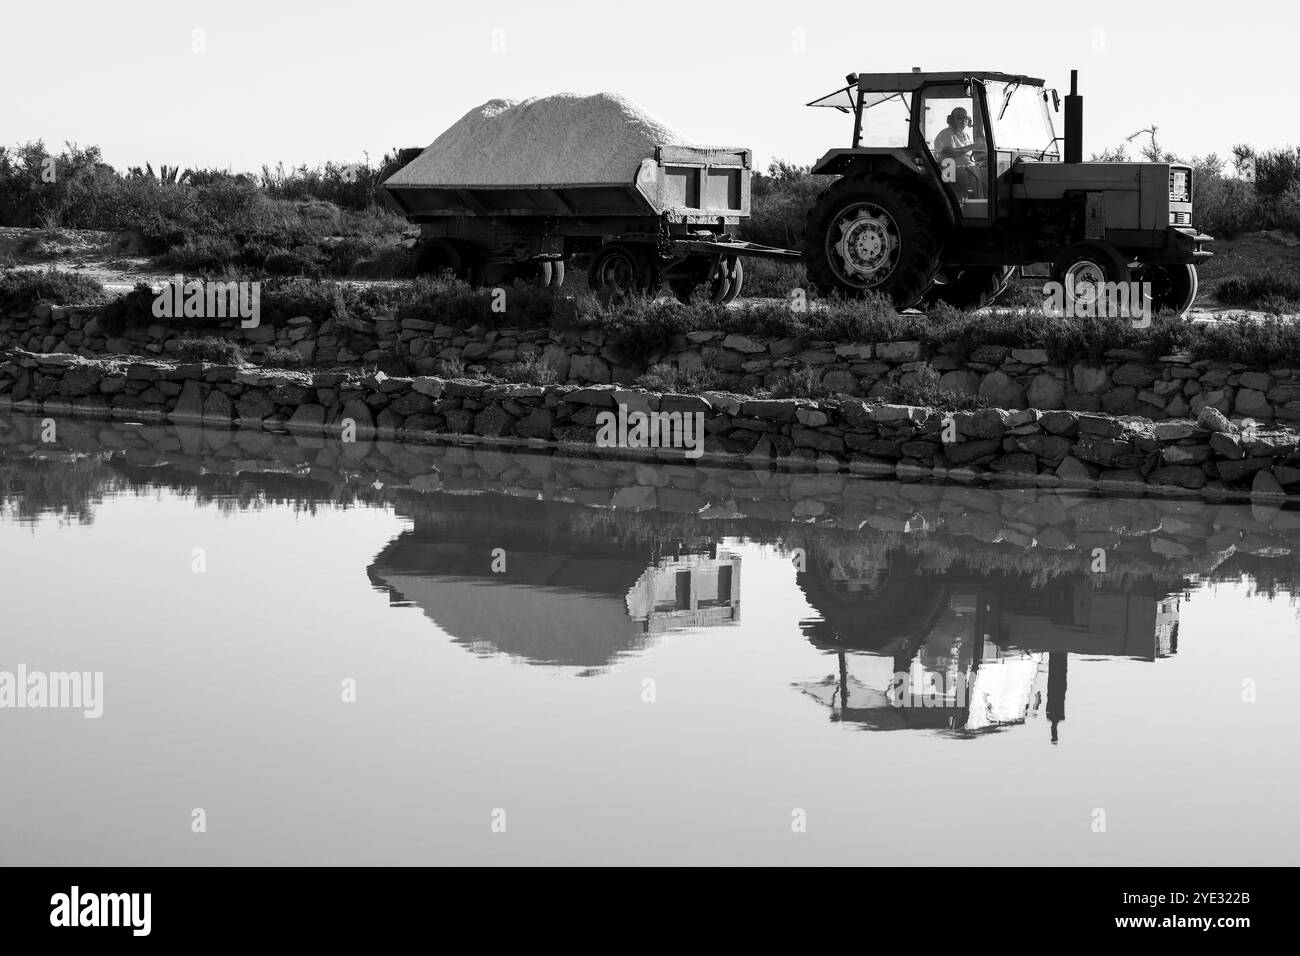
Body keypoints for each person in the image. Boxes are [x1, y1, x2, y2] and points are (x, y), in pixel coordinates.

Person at [933, 107, 982, 198]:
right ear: (951, 120)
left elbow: (968, 154)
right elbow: (951, 153)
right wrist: (973, 146)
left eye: (965, 118)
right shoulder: (947, 133)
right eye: (959, 117)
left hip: (966, 170)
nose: (963, 120)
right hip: (951, 171)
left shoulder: (966, 135)